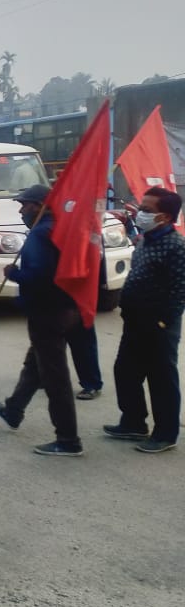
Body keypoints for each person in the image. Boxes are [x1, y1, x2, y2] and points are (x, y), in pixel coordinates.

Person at [0, 185, 83, 457]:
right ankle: (14, 409)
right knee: (35, 364)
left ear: (40, 205)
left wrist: (14, 274)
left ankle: (68, 440)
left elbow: (40, 278)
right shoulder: (61, 228)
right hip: (65, 310)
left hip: (48, 312)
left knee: (55, 377)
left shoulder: (42, 234)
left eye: (25, 204)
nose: (21, 210)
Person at [104, 186, 185, 453]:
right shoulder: (146, 238)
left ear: (164, 216)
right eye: (141, 208)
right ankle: (133, 423)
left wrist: (162, 323)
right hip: (135, 322)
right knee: (125, 371)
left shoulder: (175, 246)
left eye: (147, 210)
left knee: (161, 380)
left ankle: (165, 434)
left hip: (159, 326)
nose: (141, 214)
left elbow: (179, 291)